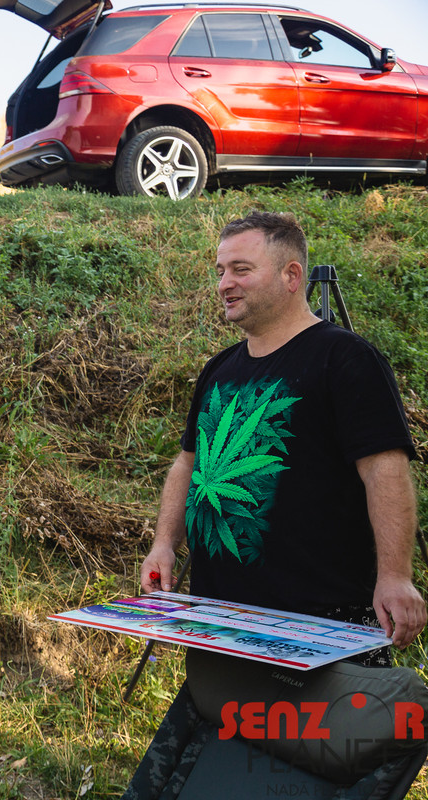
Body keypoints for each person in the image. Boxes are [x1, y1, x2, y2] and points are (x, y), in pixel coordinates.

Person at [140, 211, 425, 663]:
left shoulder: (346, 359)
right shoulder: (219, 369)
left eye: (241, 269)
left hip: (321, 626)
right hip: (218, 621)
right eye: (220, 271)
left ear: (292, 276)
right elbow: (188, 464)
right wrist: (163, 546)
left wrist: (395, 576)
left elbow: (384, 470)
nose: (224, 284)